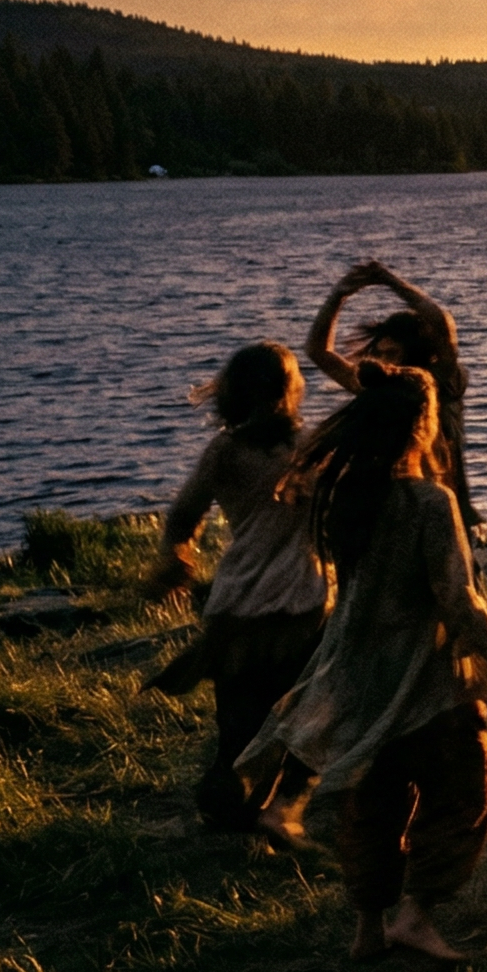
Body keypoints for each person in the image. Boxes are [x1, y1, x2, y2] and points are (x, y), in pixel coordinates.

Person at [236, 364, 487, 965]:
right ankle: (416, 917)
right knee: (464, 792)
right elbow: (456, 597)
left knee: (372, 800)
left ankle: (367, 928)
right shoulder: (428, 501)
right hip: (424, 675)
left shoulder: (342, 494)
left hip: (354, 668)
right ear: (421, 426)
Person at [145, 343, 330, 840]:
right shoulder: (315, 448)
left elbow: (183, 516)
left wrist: (176, 558)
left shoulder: (225, 451)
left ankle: (231, 810)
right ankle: (276, 809)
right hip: (302, 601)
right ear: (289, 390)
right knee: (306, 714)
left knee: (239, 723)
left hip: (237, 603)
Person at [305, 259, 478, 533]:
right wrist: (338, 296)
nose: (386, 362)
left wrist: (390, 281)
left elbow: (441, 323)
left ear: (417, 353)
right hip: (391, 499)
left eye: (393, 354)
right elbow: (318, 351)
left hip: (444, 501)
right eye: (381, 353)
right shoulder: (379, 390)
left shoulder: (441, 382)